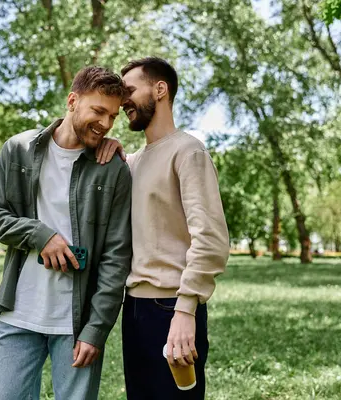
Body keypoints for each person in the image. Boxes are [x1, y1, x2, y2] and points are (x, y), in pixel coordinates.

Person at [0, 66, 132, 400]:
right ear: (72, 101)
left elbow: (116, 257)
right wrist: (40, 235)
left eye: (113, 116)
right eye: (98, 111)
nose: (106, 124)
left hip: (77, 325)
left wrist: (96, 330)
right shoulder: (18, 149)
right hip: (18, 314)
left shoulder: (113, 170)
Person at [96, 57, 230, 399]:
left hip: (173, 307)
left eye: (130, 90)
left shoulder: (188, 152)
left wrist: (186, 309)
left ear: (160, 89)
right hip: (135, 308)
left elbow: (211, 239)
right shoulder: (133, 162)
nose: (123, 99)